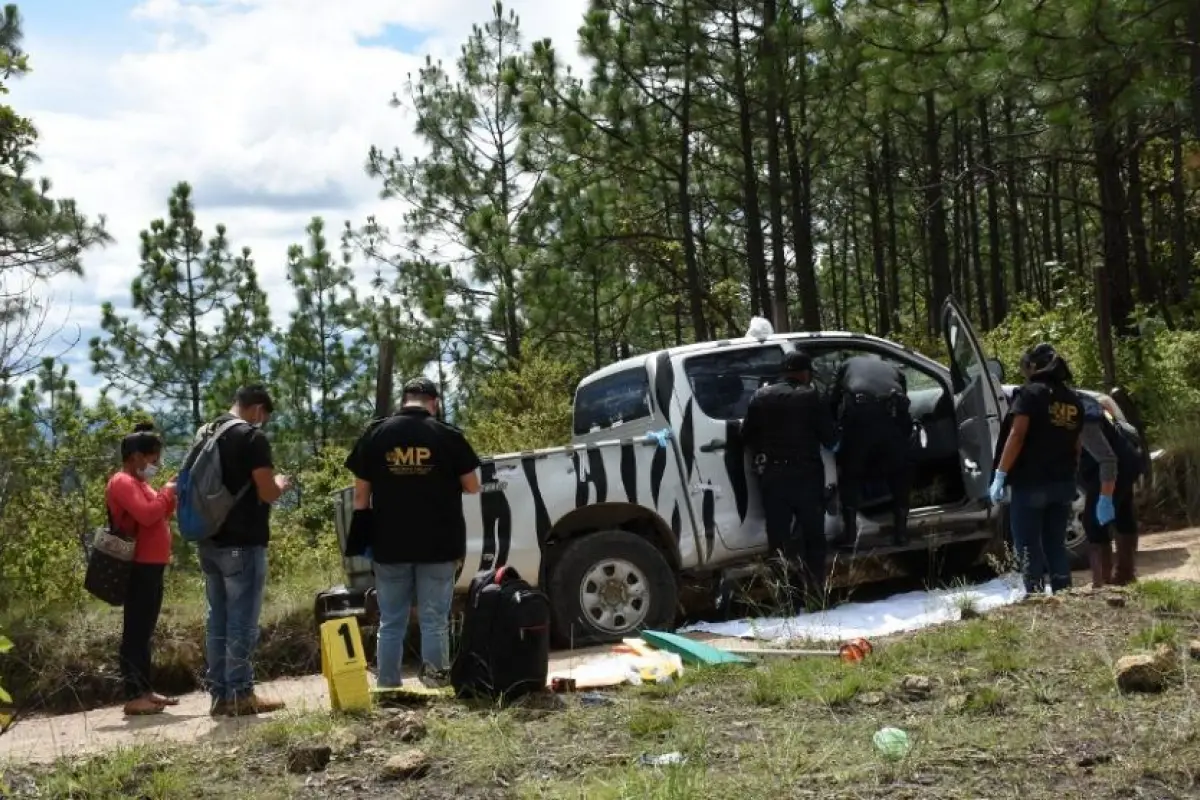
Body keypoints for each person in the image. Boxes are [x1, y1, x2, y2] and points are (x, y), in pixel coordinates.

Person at [345, 377, 481, 689]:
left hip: (389, 544)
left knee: (392, 621)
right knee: (434, 620)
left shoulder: (376, 434)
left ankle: (388, 686)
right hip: (439, 544)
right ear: (433, 402)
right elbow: (472, 486)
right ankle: (434, 687)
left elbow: (360, 499)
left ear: (404, 400)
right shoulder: (447, 436)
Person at [199, 385, 290, 716]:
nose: (263, 422)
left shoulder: (208, 431)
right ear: (257, 409)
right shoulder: (251, 438)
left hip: (209, 541)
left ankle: (220, 695)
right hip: (243, 543)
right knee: (242, 623)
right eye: (264, 415)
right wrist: (280, 483)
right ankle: (240, 692)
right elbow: (266, 492)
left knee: (218, 621)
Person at [742, 350, 838, 611]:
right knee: (813, 540)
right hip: (807, 477)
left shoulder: (761, 396)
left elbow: (746, 435)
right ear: (805, 373)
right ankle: (817, 599)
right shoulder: (812, 396)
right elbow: (831, 440)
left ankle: (787, 602)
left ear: (784, 372)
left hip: (773, 477)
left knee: (779, 544)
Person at [989, 344, 1084, 594]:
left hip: (1031, 484)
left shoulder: (1030, 395)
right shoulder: (1073, 400)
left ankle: (1035, 594)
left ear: (1034, 366)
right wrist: (1071, 477)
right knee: (1055, 543)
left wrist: (1000, 474)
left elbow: (1017, 435)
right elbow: (1077, 446)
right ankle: (1063, 591)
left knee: (1028, 544)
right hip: (1062, 483)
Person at [105, 422, 179, 716]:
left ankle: (146, 690)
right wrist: (167, 492)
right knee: (135, 630)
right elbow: (148, 516)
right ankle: (134, 693)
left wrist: (168, 494)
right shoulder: (122, 482)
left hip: (153, 565)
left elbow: (160, 512)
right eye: (152, 458)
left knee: (145, 630)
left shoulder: (141, 483)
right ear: (135, 456)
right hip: (138, 566)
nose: (156, 464)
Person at [829, 354, 913, 547]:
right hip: (891, 418)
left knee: (851, 471)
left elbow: (833, 400)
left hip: (861, 418)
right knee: (900, 472)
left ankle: (850, 535)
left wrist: (832, 427)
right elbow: (904, 405)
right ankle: (901, 533)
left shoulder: (848, 364)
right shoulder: (894, 370)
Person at [1079, 394, 1144, 586]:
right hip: (1126, 459)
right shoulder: (1082, 401)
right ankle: (1125, 576)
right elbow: (1106, 404)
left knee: (1093, 522)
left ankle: (1102, 585)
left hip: (1115, 465)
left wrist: (1106, 497)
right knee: (1123, 513)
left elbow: (1108, 459)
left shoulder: (1080, 416)